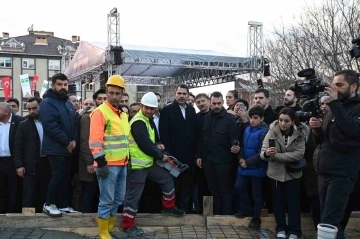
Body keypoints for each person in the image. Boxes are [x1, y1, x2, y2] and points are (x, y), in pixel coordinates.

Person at [122, 92, 185, 237]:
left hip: (148, 163)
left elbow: (152, 139)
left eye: (152, 108)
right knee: (133, 197)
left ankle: (168, 207)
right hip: (138, 166)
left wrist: (159, 144)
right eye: (147, 108)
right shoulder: (138, 121)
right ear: (141, 106)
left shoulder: (147, 119)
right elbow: (145, 144)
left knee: (167, 180)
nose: (150, 111)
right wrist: (160, 155)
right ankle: (128, 225)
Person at [309, 70, 360, 239]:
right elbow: (326, 140)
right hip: (324, 172)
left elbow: (352, 130)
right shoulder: (333, 108)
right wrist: (316, 130)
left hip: (342, 174)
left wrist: (335, 104)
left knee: (328, 224)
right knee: (333, 224)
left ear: (353, 87)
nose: (335, 89)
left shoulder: (355, 107)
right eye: (334, 85)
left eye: (340, 85)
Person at [89, 75, 129, 239]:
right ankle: (103, 232)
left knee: (118, 199)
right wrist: (101, 163)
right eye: (111, 93)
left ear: (122, 95)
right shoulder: (100, 112)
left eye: (117, 93)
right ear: (107, 92)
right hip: (108, 165)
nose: (114, 96)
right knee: (107, 199)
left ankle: (110, 228)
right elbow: (94, 141)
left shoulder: (123, 115)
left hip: (122, 164)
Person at [260, 107, 308, 239]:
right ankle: (280, 228)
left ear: (292, 121)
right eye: (280, 120)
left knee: (293, 203)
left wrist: (277, 156)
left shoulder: (301, 133)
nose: (282, 123)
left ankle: (295, 230)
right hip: (275, 174)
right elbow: (263, 152)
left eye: (286, 121)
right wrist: (266, 153)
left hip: (293, 174)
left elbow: (298, 154)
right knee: (278, 202)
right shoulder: (272, 131)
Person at [39, 73, 78, 217]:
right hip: (54, 148)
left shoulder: (67, 102)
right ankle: (48, 204)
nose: (63, 87)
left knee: (65, 176)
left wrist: (74, 140)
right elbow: (51, 126)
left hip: (68, 148)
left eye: (65, 84)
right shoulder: (47, 103)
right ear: (53, 85)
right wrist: (67, 142)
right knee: (57, 175)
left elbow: (74, 123)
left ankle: (63, 205)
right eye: (59, 84)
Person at [196, 91, 239, 215]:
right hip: (208, 161)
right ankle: (216, 215)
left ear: (223, 103)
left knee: (224, 191)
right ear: (210, 102)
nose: (216, 106)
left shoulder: (230, 119)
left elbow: (234, 137)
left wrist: (235, 146)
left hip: (224, 161)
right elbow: (202, 139)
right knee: (213, 190)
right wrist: (199, 155)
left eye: (219, 103)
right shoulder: (207, 118)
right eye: (214, 103)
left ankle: (225, 216)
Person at [235, 106, 268, 230]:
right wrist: (241, 157)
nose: (252, 120)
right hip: (244, 165)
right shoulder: (247, 129)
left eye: (255, 118)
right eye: (251, 118)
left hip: (257, 167)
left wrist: (248, 162)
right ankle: (246, 209)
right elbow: (242, 145)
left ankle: (256, 218)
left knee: (257, 195)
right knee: (239, 187)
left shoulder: (265, 132)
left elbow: (263, 152)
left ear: (262, 118)